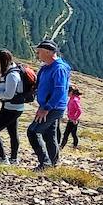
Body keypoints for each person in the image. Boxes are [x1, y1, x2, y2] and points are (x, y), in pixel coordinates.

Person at [27, 39, 72, 169]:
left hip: (53, 107)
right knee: (49, 134)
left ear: (48, 52)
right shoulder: (47, 67)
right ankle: (53, 163)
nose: (37, 54)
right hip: (49, 106)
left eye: (39, 51)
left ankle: (45, 163)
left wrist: (46, 108)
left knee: (33, 131)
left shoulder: (59, 68)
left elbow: (59, 90)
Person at [0, 48, 33, 165]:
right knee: (12, 133)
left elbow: (8, 94)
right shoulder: (12, 71)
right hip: (14, 107)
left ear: (2, 61)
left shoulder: (11, 75)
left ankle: (3, 158)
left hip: (11, 108)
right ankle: (13, 159)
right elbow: (7, 89)